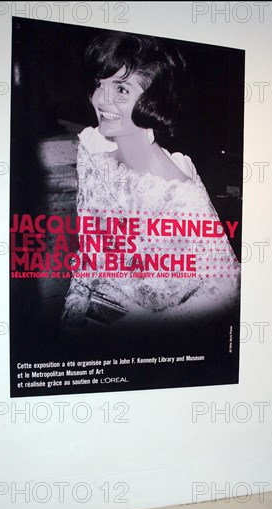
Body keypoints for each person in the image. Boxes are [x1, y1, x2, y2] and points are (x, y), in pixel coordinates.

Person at [61, 31, 240, 329]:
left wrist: (137, 332)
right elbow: (87, 258)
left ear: (152, 101)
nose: (101, 100)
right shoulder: (94, 153)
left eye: (121, 89)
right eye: (99, 84)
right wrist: (72, 319)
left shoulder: (178, 194)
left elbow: (225, 287)